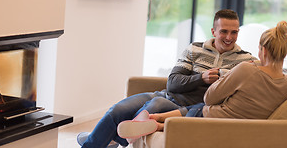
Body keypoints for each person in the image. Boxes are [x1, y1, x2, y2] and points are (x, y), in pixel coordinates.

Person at [77, 9, 256, 148]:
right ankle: (96, 142)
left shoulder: (245, 61)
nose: (229, 37)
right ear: (213, 31)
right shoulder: (195, 49)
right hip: (166, 95)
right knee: (117, 109)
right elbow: (173, 83)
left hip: (185, 108)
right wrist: (201, 78)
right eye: (224, 31)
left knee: (152, 109)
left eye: (234, 32)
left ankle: (107, 137)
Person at [116, 21, 287, 139]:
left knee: (200, 108)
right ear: (285, 52)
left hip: (210, 118)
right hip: (246, 125)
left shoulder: (247, 69)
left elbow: (209, 98)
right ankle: (157, 121)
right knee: (191, 109)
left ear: (262, 50)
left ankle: (155, 121)